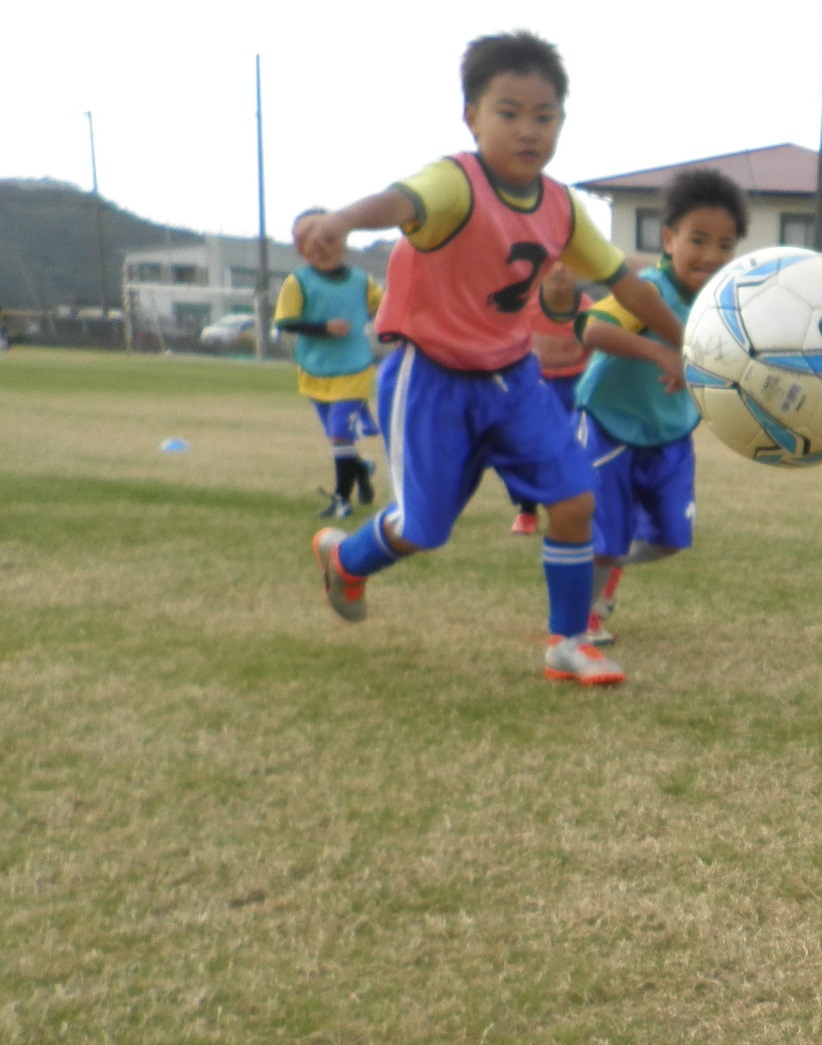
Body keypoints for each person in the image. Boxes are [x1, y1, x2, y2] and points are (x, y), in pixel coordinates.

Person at [299, 30, 691, 687]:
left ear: (562, 122)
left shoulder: (562, 206)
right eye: (507, 112)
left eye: (544, 116)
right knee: (422, 529)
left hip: (513, 379)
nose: (527, 130)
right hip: (430, 378)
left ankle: (568, 642)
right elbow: (401, 201)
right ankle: (346, 559)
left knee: (574, 500)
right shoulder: (455, 182)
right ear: (471, 116)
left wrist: (683, 338)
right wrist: (344, 219)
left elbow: (623, 281)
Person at [572, 167, 746, 645]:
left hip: (670, 433)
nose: (711, 255)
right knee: (604, 536)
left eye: (726, 245)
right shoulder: (646, 289)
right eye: (698, 239)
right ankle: (578, 619)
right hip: (609, 424)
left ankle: (597, 566)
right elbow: (590, 328)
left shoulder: (728, 306)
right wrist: (657, 351)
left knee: (670, 540)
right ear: (669, 239)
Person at [275, 208, 385, 519]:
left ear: (342, 241)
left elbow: (384, 308)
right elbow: (285, 322)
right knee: (340, 441)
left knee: (340, 433)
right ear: (300, 250)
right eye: (308, 242)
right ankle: (361, 470)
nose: (319, 248)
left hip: (354, 369)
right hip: (315, 371)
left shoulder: (361, 281)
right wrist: (323, 328)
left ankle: (341, 500)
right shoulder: (298, 283)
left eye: (326, 239)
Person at [505, 262, 594, 535]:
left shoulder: (589, 311)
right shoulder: (524, 308)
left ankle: (580, 510)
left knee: (577, 450)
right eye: (552, 262)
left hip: (577, 388)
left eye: (568, 263)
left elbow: (597, 357)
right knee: (526, 449)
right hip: (537, 387)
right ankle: (527, 510)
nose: (559, 269)